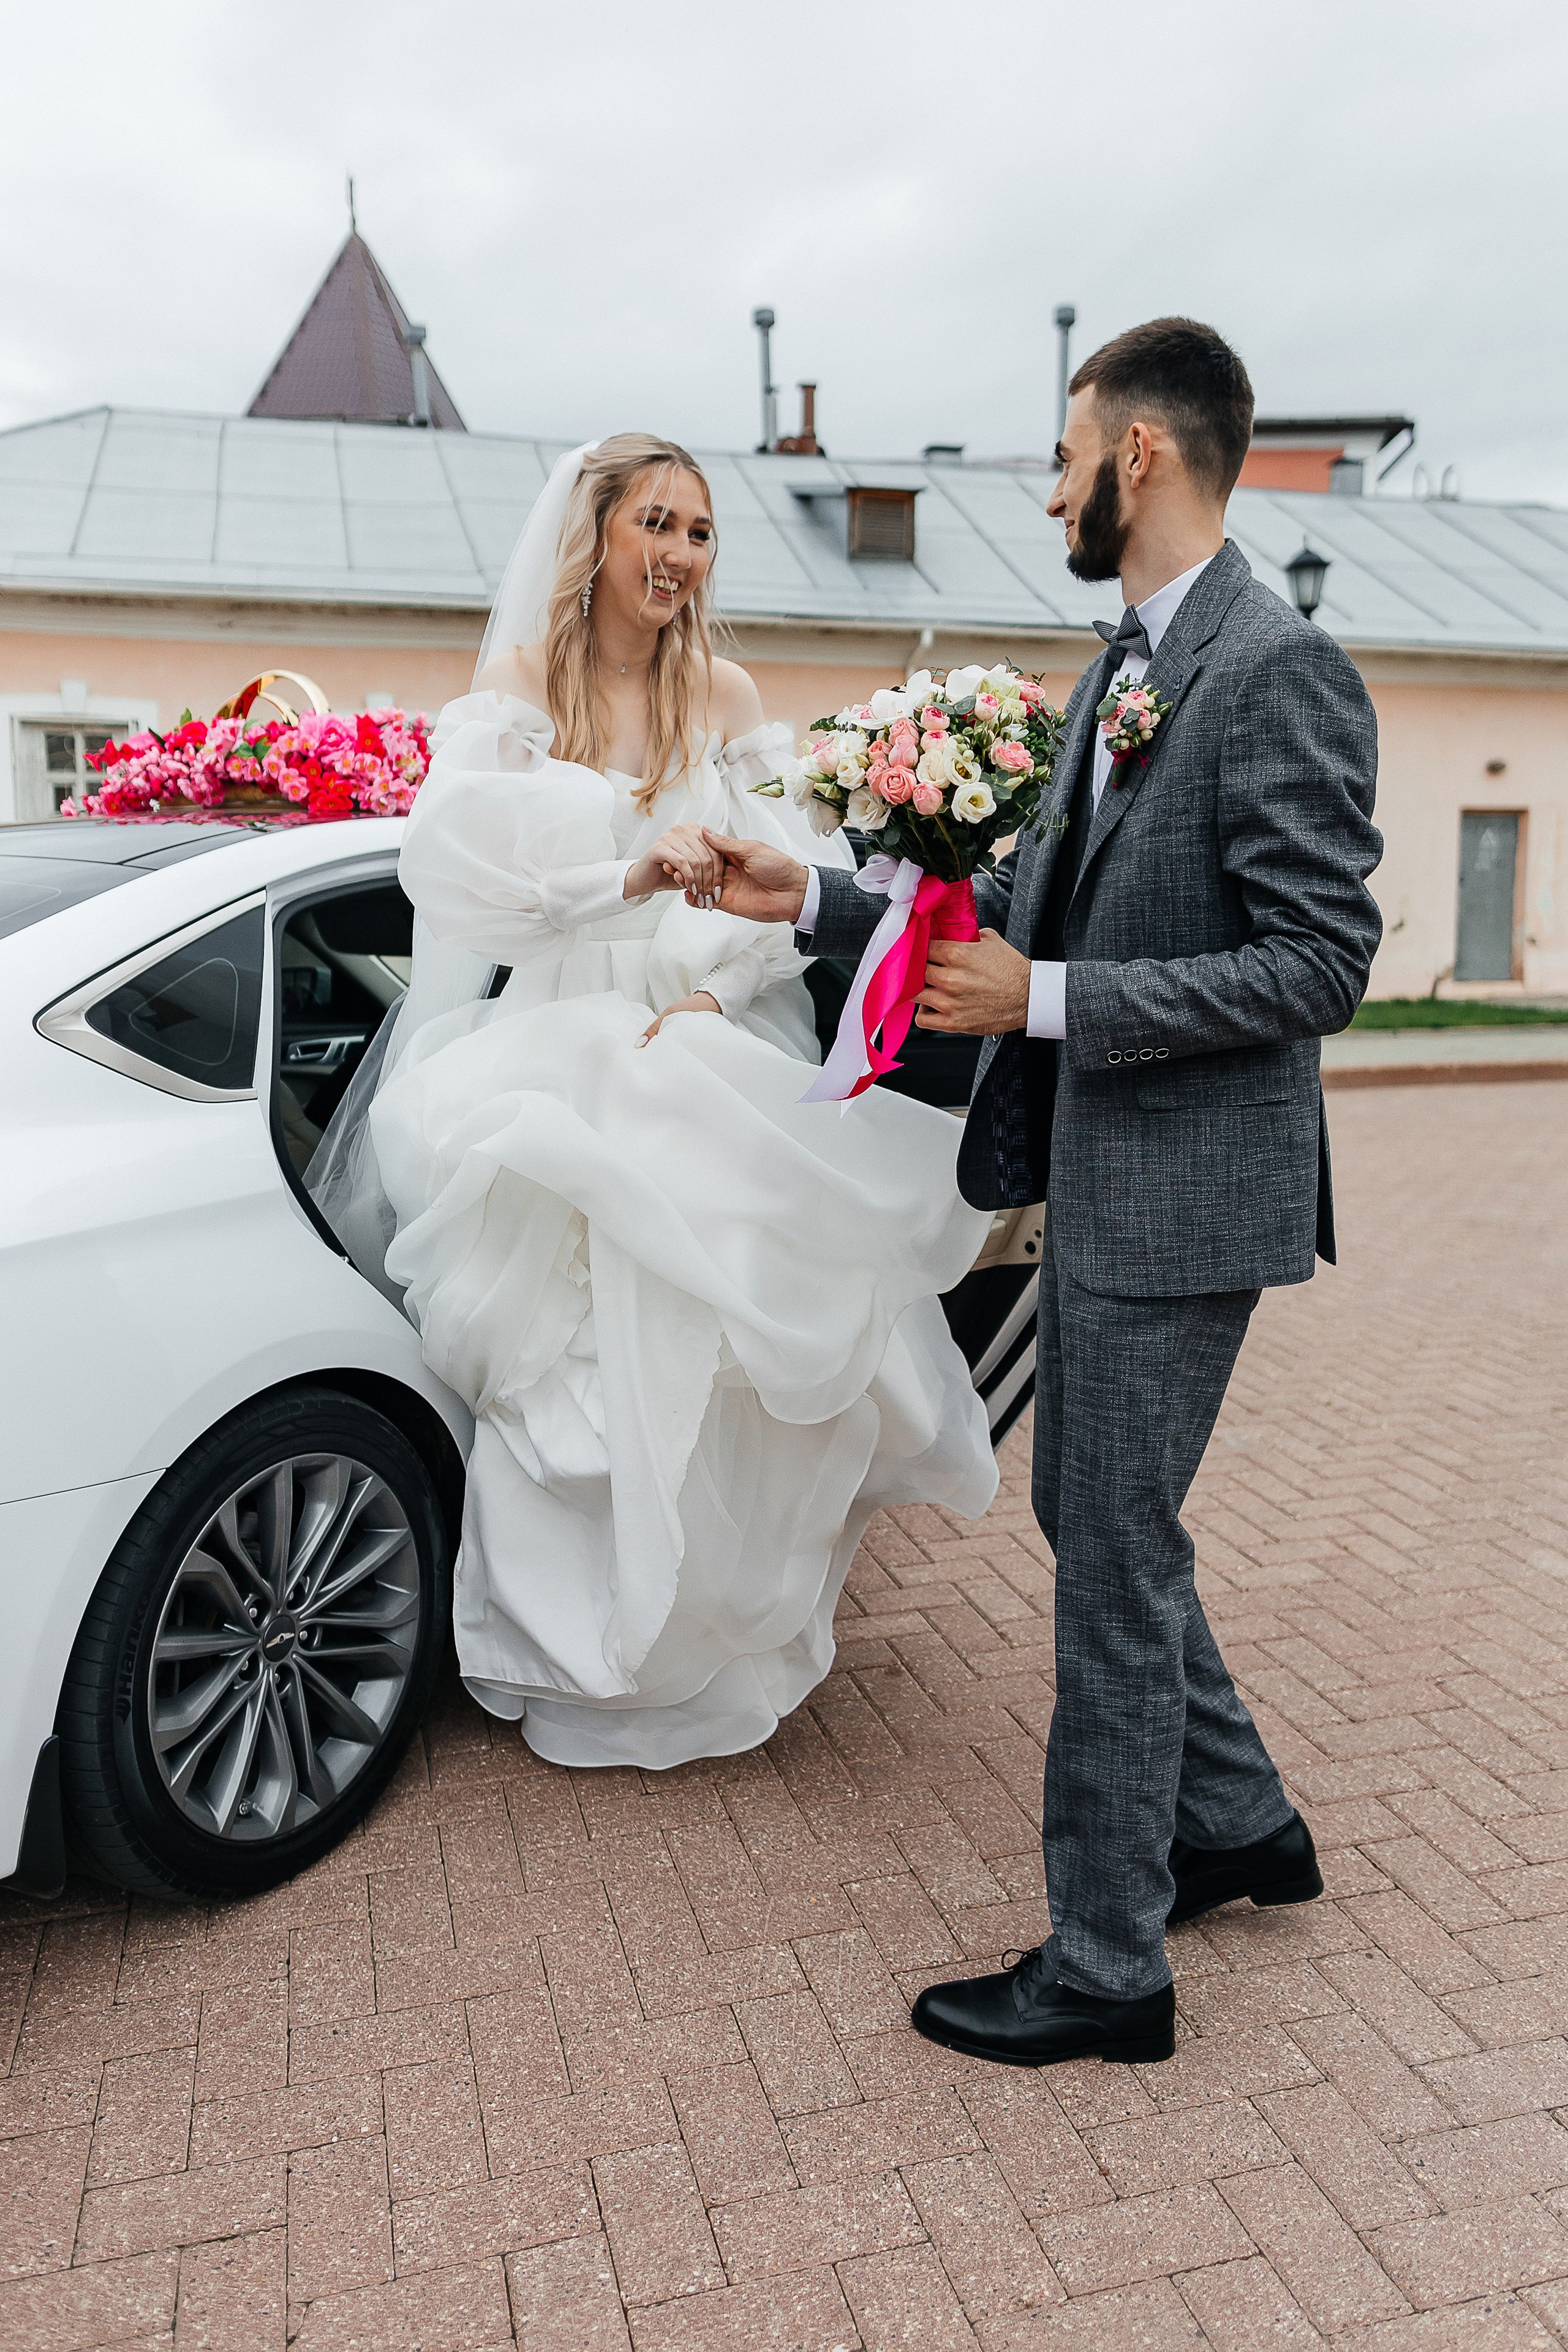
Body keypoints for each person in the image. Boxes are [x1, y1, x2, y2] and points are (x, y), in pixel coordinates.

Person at [700, 322, 1384, 2065]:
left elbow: (1319, 961)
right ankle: (1236, 1827)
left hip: (1184, 1199)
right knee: (1103, 1523)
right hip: (1110, 1180)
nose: (1054, 484)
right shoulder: (1128, 664)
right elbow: (1006, 906)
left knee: (1110, 1555)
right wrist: (804, 899)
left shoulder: (1275, 665)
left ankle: (1109, 1966)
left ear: (1141, 456)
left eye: (1068, 453)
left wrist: (1052, 1002)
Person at [311, 434, 997, 1771]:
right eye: (657, 524)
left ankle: (703, 1650)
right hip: (558, 1025)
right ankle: (569, 1655)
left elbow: (790, 878)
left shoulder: (724, 690)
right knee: (570, 1365)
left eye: (699, 533)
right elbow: (459, 877)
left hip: (700, 1023)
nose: (680, 555)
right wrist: (620, 876)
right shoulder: (520, 687)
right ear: (596, 534)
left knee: (715, 1354)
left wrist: (716, 985)